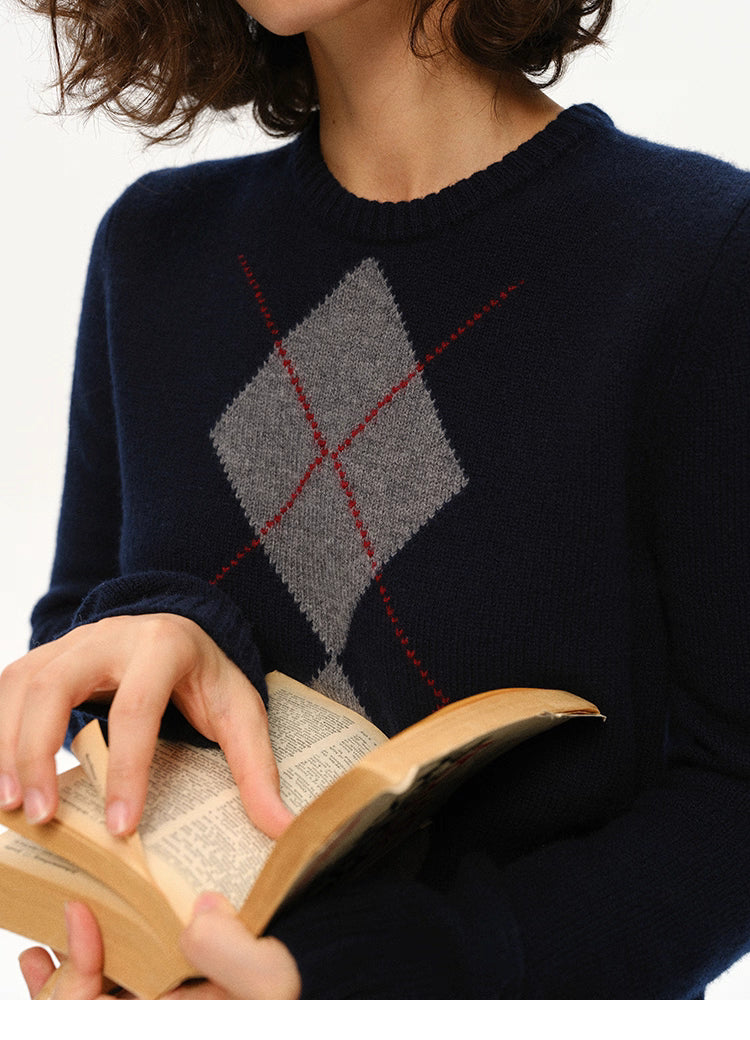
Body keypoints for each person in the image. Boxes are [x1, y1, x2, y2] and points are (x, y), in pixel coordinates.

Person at [2, 0, 749, 999]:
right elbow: (82, 661)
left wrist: (382, 984)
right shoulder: (157, 254)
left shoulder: (694, 258)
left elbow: (733, 799)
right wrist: (163, 630)